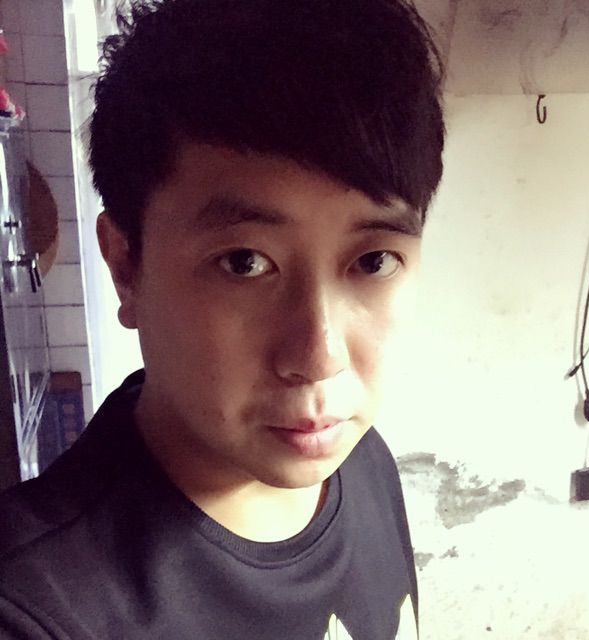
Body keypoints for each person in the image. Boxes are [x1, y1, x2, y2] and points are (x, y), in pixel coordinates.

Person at [0, 0, 444, 637]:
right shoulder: (37, 609)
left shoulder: (365, 464)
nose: (320, 357)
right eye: (244, 262)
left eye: (373, 261)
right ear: (126, 266)